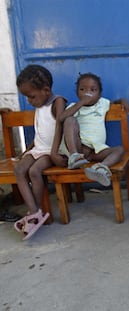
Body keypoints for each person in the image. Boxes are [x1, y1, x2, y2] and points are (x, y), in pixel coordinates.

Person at [13, 64, 67, 240]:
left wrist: (53, 153)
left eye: (31, 96)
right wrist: (27, 151)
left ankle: (34, 213)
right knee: (19, 169)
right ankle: (34, 212)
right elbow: (39, 133)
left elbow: (59, 127)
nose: (29, 100)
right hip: (39, 148)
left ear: (45, 90)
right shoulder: (39, 103)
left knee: (35, 171)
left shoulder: (58, 102)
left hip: (52, 150)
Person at [58, 72, 129, 187]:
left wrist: (123, 101)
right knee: (69, 120)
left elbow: (115, 102)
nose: (88, 93)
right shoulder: (74, 106)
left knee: (119, 150)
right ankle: (74, 157)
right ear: (77, 93)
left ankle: (100, 168)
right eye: (83, 89)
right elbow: (61, 118)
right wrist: (81, 103)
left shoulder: (102, 103)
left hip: (96, 151)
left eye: (93, 90)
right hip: (79, 147)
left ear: (99, 93)